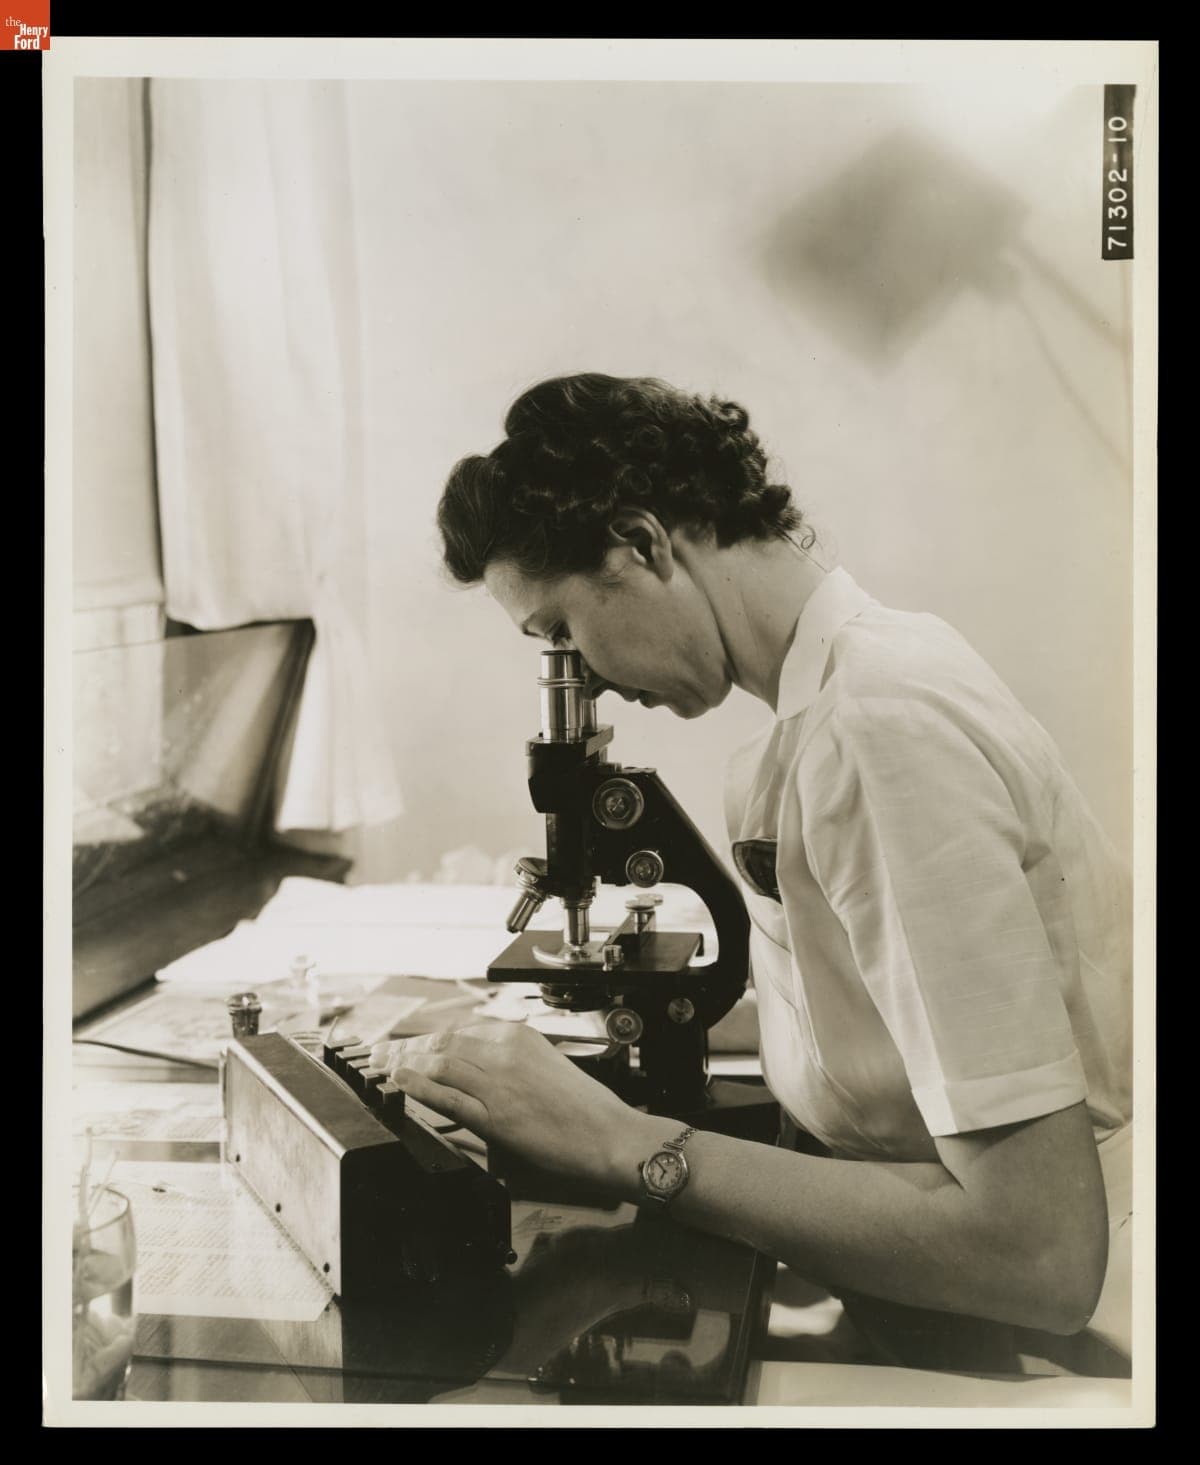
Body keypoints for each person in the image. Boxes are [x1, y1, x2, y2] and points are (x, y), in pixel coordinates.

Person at [378, 373, 1133, 1369]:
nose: (578, 675)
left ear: (644, 543)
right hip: (932, 1290)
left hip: (1040, 1344)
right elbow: (883, 1014)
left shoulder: (878, 729)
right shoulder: (847, 688)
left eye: (560, 630)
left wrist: (610, 1139)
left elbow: (1037, 1256)